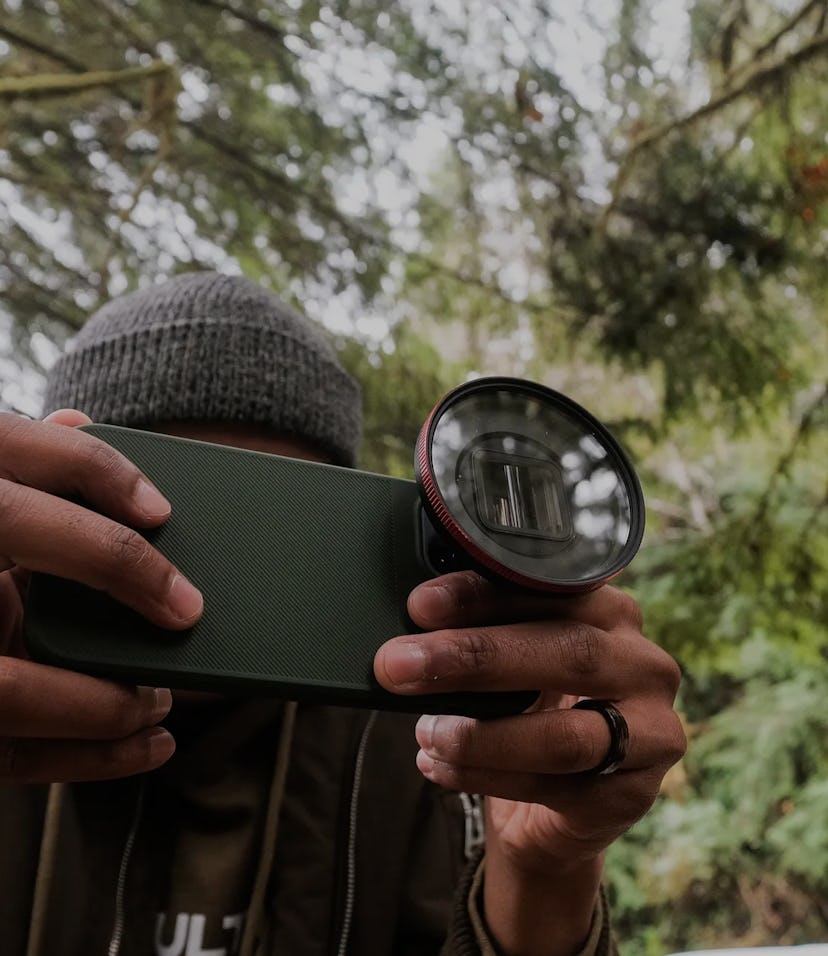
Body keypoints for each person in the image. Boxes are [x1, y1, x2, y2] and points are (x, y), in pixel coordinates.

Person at [0, 271, 685, 956]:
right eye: (176, 508)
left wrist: (545, 873)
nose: (210, 573)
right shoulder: (16, 712)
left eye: (277, 514)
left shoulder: (427, 734)